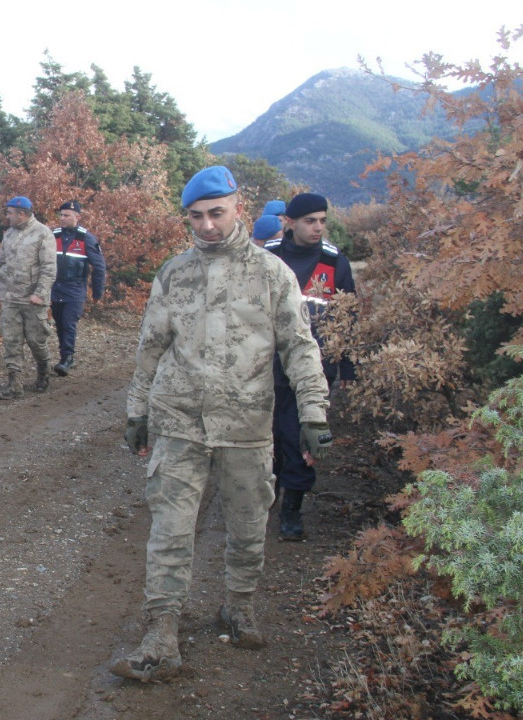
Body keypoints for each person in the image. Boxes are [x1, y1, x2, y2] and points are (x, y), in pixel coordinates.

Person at [113, 166, 331, 682]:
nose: (207, 225)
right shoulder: (174, 273)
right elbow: (150, 346)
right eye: (196, 217)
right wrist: (137, 410)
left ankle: (238, 606)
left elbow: (299, 347)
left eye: (217, 213)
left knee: (249, 523)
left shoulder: (271, 274)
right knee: (170, 528)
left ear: (238, 209)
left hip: (246, 423)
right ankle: (161, 633)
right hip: (180, 419)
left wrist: (313, 412)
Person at [264, 192, 356, 540]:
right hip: (266, 365)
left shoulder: (334, 263)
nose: (318, 227)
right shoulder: (269, 256)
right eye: (310, 221)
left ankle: (292, 509)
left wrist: (348, 367)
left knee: (301, 437)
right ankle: (265, 497)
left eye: (322, 221)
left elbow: (348, 317)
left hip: (314, 368)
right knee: (267, 436)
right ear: (290, 222)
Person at [0, 196, 56, 399]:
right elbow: (0, 266)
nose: (7, 217)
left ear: (22, 214)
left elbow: (49, 268)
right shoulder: (8, 234)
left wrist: (39, 294)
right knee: (11, 341)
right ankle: (14, 384)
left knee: (36, 341)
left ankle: (43, 372)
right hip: (9, 298)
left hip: (32, 300)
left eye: (9, 213)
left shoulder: (43, 233)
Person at [49, 200, 106, 376]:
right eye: (61, 215)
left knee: (68, 322)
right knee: (59, 322)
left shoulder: (86, 238)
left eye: (66, 215)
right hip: (55, 287)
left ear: (77, 217)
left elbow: (99, 267)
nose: (62, 218)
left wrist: (97, 292)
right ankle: (64, 355)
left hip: (75, 288)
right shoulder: (54, 235)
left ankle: (67, 358)